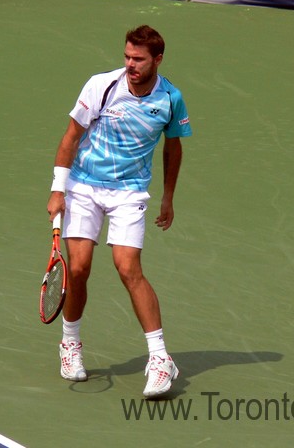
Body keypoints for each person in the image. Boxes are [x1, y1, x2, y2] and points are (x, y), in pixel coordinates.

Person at [46, 25, 192, 398]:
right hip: (84, 185)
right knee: (77, 269)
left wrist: (168, 197)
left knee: (129, 268)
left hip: (129, 191)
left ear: (157, 60)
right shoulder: (102, 86)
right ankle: (70, 344)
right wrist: (57, 189)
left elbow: (172, 149)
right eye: (127, 56)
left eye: (139, 59)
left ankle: (160, 359)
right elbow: (71, 136)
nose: (130, 64)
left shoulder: (171, 99)